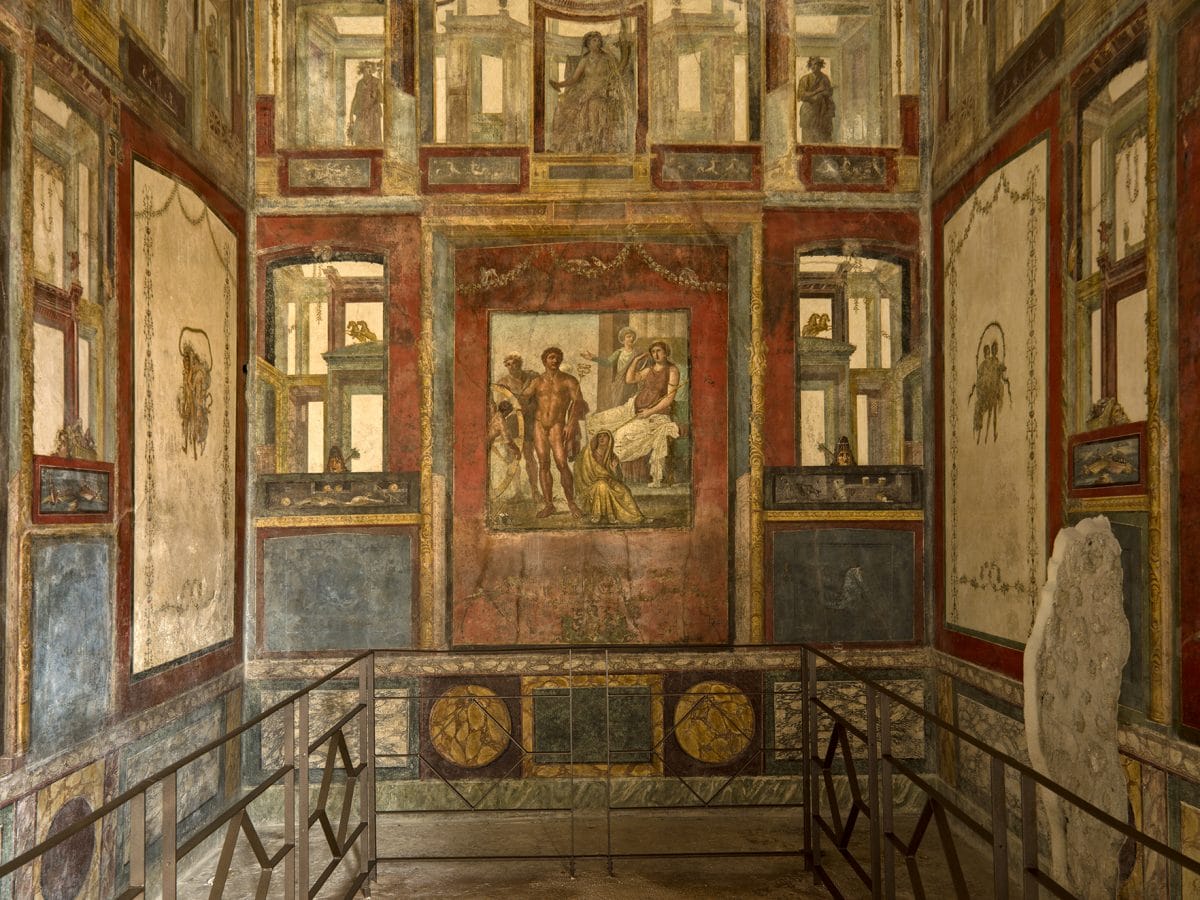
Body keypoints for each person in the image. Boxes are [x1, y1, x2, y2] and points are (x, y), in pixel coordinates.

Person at [585, 340, 681, 487]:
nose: (655, 354)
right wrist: (635, 360)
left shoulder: (672, 370)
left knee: (621, 435)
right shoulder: (649, 369)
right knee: (599, 420)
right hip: (631, 409)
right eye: (653, 351)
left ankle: (608, 471)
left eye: (659, 351)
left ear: (666, 352)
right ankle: (593, 467)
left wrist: (649, 412)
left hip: (655, 416)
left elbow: (669, 399)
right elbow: (630, 379)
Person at [521, 347, 588, 518]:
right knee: (543, 463)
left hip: (558, 426)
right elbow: (522, 397)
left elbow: (578, 403)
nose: (554, 361)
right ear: (544, 360)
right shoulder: (536, 381)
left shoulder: (569, 380)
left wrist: (571, 423)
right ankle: (549, 505)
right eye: (551, 358)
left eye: (557, 358)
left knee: (561, 463)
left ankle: (571, 503)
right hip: (539, 425)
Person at [548, 27, 632, 154]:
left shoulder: (607, 58)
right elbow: (574, 78)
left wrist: (625, 52)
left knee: (594, 106)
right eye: (594, 40)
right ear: (588, 43)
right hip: (585, 91)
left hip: (602, 92)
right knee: (564, 109)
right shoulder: (585, 60)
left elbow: (618, 72)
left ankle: (594, 144)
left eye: (598, 40)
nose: (597, 42)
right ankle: (557, 145)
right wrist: (559, 84)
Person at [496, 353, 541, 502]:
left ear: (519, 364)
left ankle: (535, 491)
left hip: (529, 421)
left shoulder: (531, 377)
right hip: (513, 423)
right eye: (508, 364)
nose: (511, 366)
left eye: (514, 363)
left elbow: (538, 397)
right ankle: (518, 492)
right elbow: (501, 407)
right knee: (513, 458)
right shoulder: (503, 382)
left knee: (530, 456)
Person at [574, 430, 645, 525]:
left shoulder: (612, 456)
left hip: (609, 482)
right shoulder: (591, 455)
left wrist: (614, 470)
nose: (602, 439)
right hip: (591, 485)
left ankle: (636, 517)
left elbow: (619, 478)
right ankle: (600, 516)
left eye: (605, 436)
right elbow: (585, 474)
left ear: (609, 439)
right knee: (602, 486)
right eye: (600, 436)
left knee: (623, 490)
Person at [580, 326, 639, 407]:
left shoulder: (637, 353)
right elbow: (608, 363)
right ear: (623, 339)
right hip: (619, 383)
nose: (631, 339)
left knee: (631, 406)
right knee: (618, 406)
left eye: (633, 337)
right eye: (628, 337)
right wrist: (593, 358)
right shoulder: (619, 352)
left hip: (632, 384)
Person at [797, 57, 835, 143]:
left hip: (822, 112)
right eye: (812, 64)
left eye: (817, 64)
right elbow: (801, 95)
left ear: (820, 66)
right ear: (809, 65)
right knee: (809, 139)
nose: (814, 67)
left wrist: (823, 94)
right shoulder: (805, 79)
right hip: (808, 112)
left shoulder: (825, 78)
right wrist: (817, 91)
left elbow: (828, 93)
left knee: (824, 139)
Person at [347, 60, 383, 146]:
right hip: (362, 114)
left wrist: (376, 95)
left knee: (374, 141)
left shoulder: (377, 82)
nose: (369, 70)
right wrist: (351, 116)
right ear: (363, 69)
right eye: (367, 68)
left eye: (371, 68)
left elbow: (383, 99)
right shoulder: (359, 83)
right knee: (360, 141)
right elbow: (355, 99)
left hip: (373, 115)